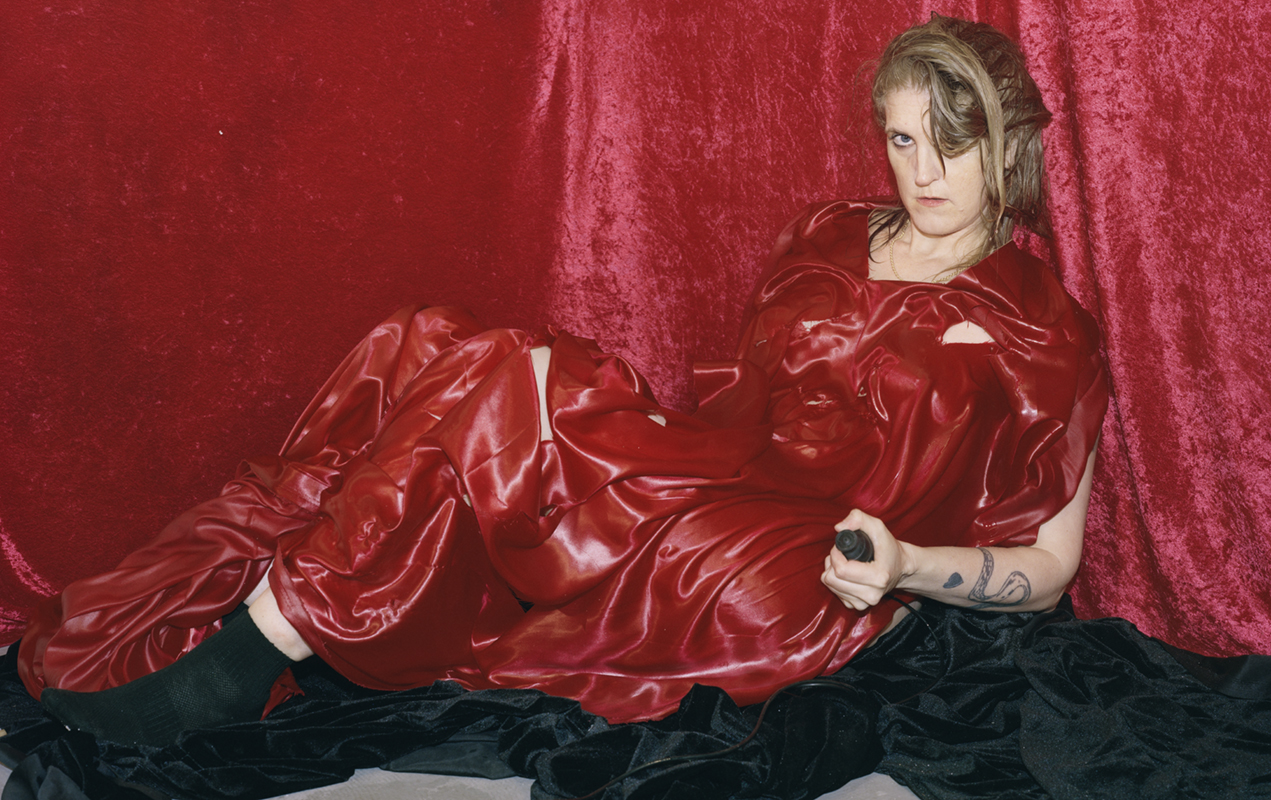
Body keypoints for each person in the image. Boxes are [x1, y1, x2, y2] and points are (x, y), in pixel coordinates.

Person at [22, 14, 1106, 749]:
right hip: (719, 460)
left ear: (1003, 148)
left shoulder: (1042, 330)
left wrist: (909, 564)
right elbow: (745, 403)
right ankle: (266, 608)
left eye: (949, 147)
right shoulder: (828, 237)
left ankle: (258, 642)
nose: (920, 173)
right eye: (900, 137)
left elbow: (1051, 564)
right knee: (449, 348)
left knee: (495, 394)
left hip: (807, 558)